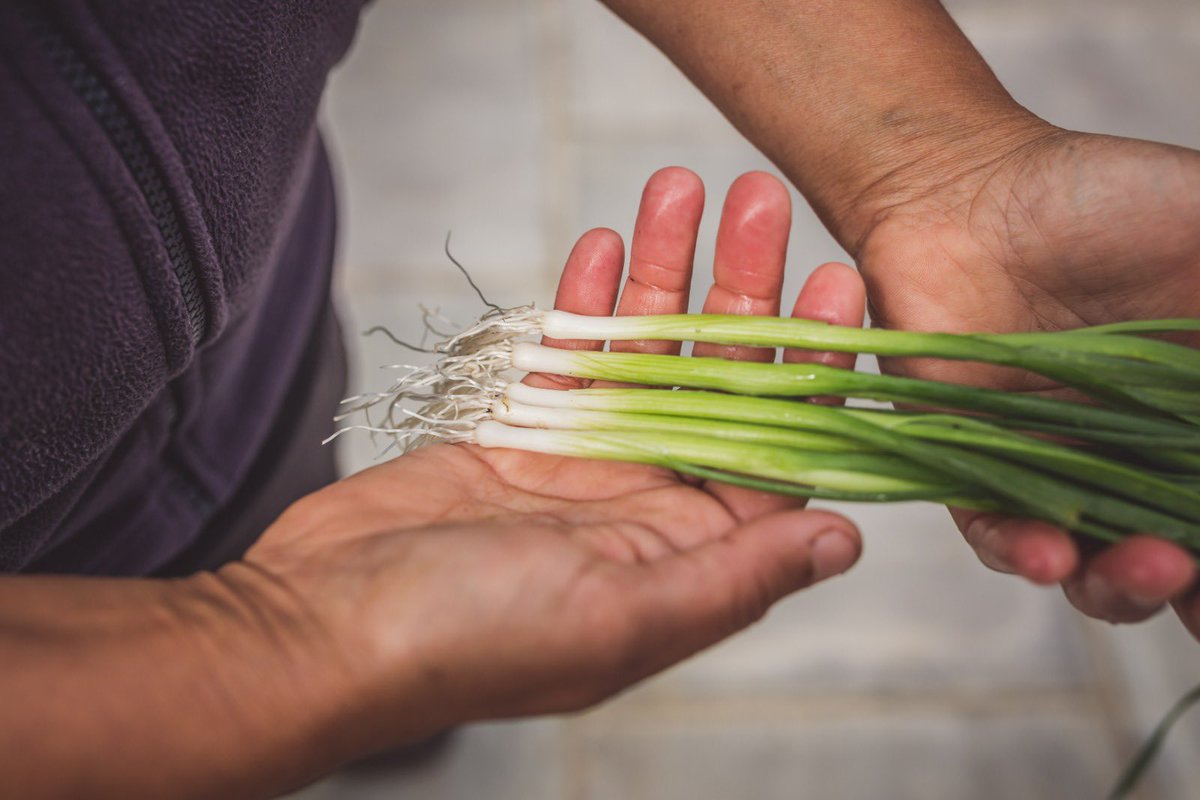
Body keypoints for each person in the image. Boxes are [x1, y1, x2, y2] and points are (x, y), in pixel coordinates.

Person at [1, 1, 1197, 796]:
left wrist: (941, 162)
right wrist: (271, 647)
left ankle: (390, 719)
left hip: (231, 300)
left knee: (283, 486)